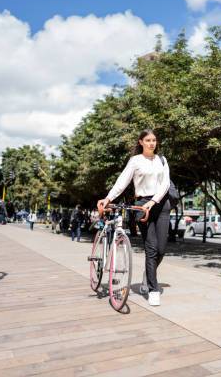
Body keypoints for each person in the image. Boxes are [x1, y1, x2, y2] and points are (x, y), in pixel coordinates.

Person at [97, 129, 170, 307]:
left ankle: (148, 274)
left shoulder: (162, 160)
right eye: (148, 140)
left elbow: (165, 183)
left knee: (161, 250)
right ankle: (153, 289)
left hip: (160, 204)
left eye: (154, 140)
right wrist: (108, 198)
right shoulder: (135, 161)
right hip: (141, 205)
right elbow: (122, 182)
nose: (152, 143)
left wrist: (153, 202)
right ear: (141, 142)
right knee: (151, 248)